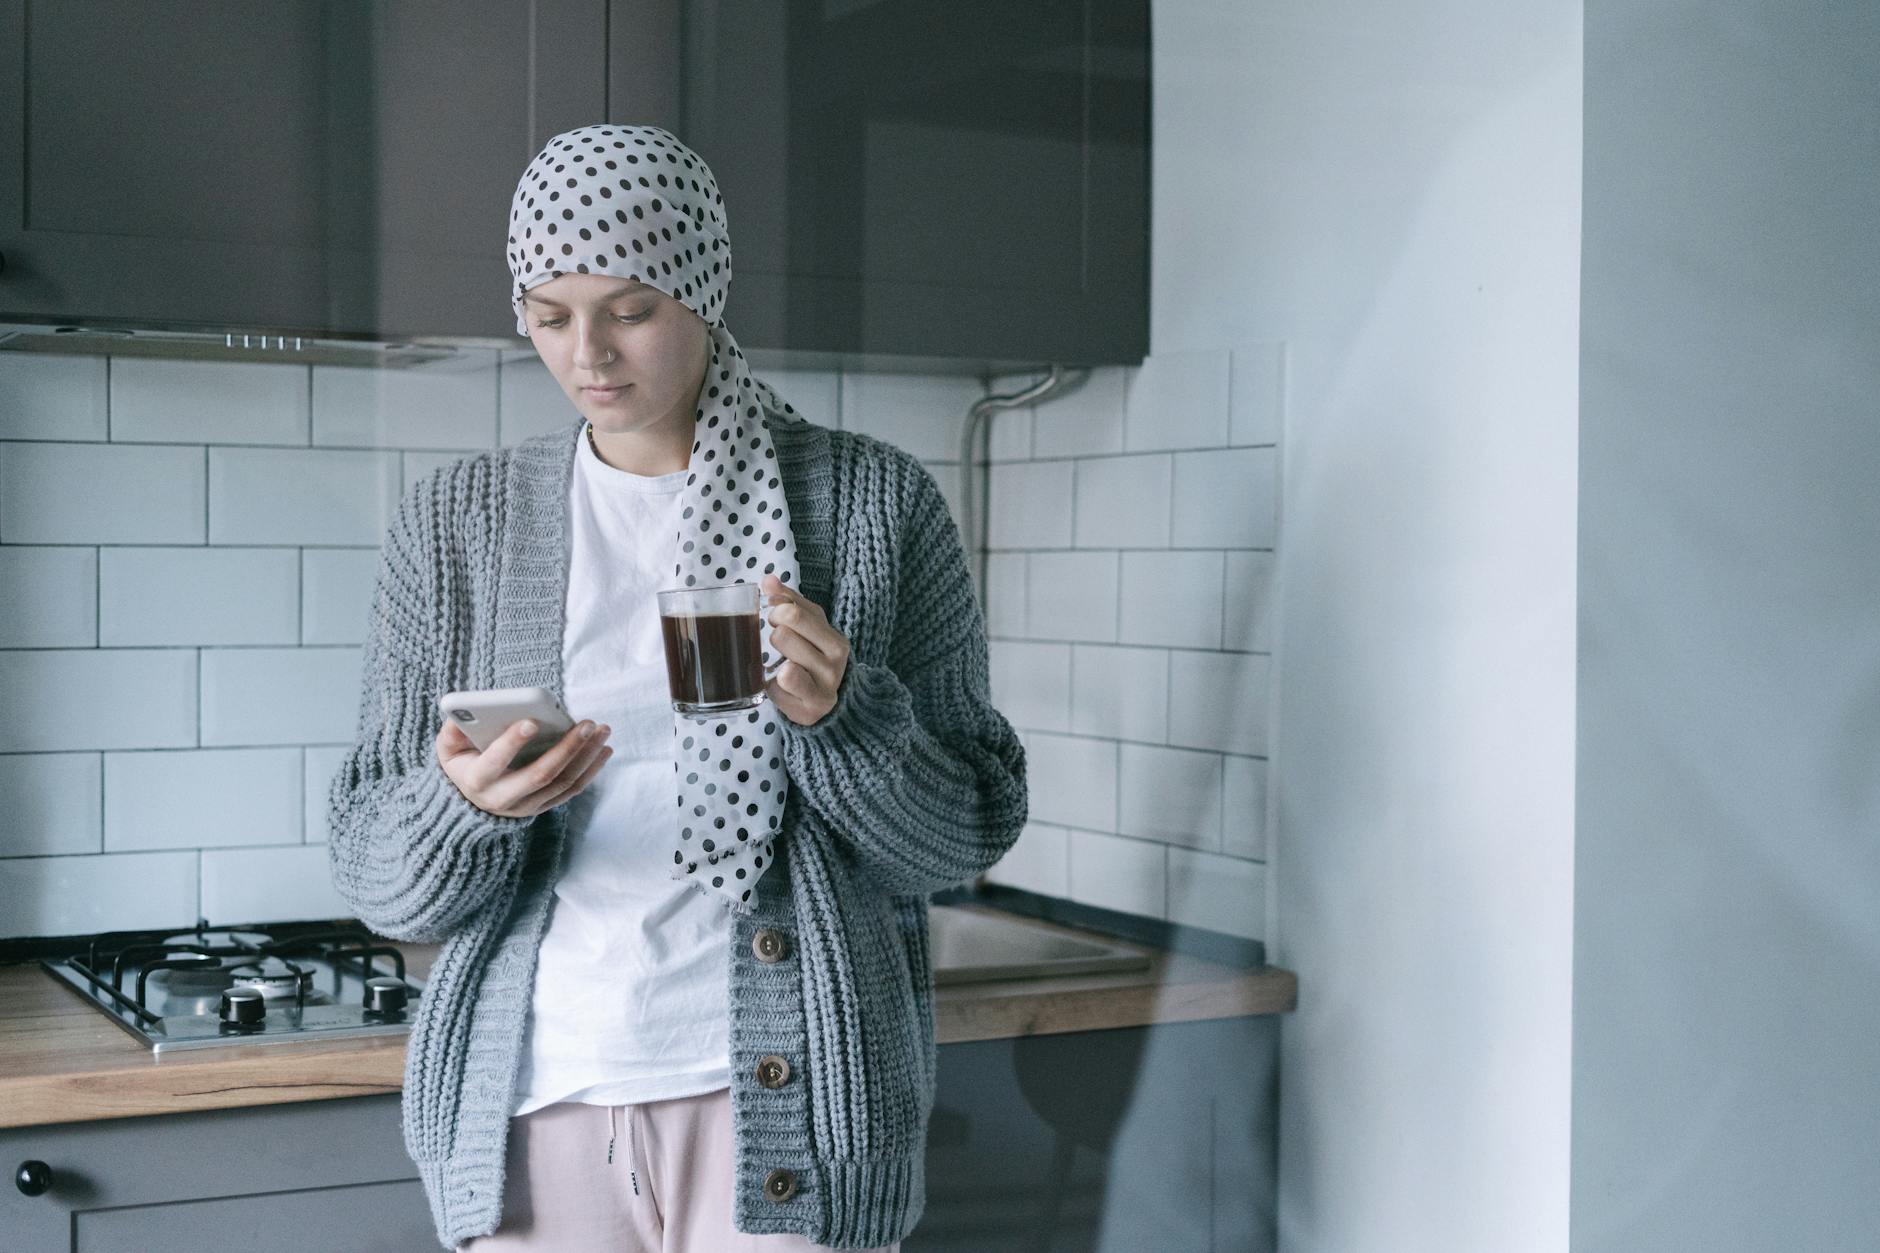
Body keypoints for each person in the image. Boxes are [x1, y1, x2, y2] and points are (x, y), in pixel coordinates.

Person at [326, 123, 1027, 1252]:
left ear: (701, 287)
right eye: (549, 316)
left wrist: (840, 725)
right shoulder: (456, 526)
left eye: (631, 307)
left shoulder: (871, 507)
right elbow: (377, 872)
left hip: (799, 1108)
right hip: (533, 1107)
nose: (588, 353)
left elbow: (962, 834)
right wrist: (467, 811)